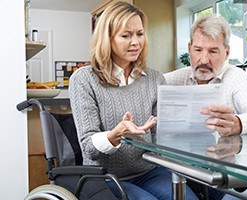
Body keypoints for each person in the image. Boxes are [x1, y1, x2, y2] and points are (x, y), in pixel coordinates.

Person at [69, 1, 198, 200]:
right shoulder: (84, 79)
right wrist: (116, 134)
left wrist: (188, 123)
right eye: (126, 35)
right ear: (107, 39)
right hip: (105, 176)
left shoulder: (155, 78)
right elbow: (88, 145)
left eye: (139, 33)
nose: (136, 42)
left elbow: (162, 137)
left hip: (150, 171)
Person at [164, 13, 247, 200]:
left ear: (226, 52)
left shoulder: (235, 78)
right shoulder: (173, 79)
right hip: (188, 173)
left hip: (232, 180)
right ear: (189, 49)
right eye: (198, 50)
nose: (204, 59)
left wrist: (238, 123)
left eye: (213, 51)